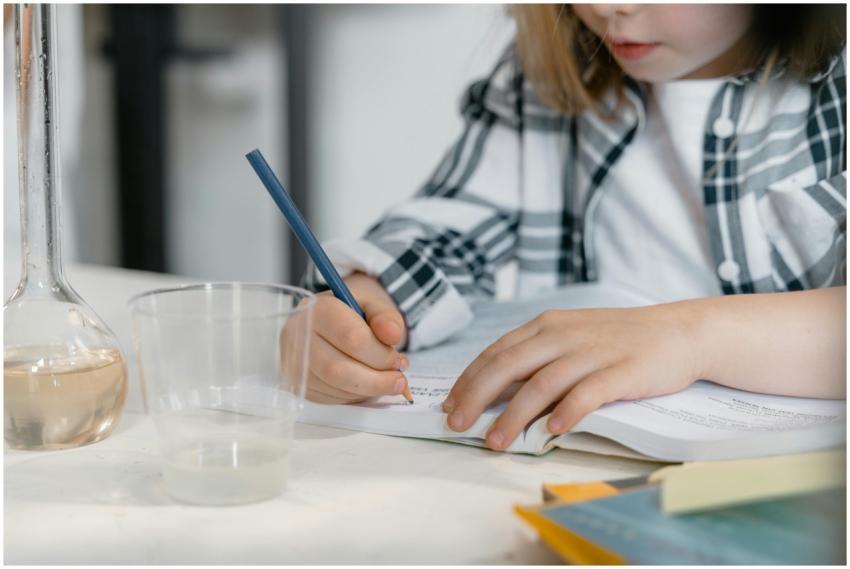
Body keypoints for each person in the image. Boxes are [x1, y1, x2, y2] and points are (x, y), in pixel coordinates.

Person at [301, 4, 846, 451]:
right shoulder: (551, 71)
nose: (610, 7)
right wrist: (364, 306)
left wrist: (686, 335)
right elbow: (449, 229)